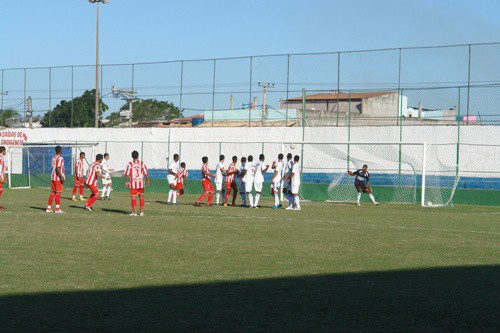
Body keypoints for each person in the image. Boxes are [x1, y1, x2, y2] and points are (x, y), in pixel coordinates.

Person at [124, 151, 150, 216]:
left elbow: (127, 174)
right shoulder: (142, 163)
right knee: (141, 197)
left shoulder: (130, 164)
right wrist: (147, 180)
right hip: (141, 183)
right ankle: (141, 212)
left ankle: (135, 213)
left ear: (132, 156)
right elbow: (145, 173)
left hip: (133, 183)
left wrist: (126, 182)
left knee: (133, 197)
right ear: (138, 156)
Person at [47, 146, 65, 214]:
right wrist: (61, 176)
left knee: (53, 192)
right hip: (57, 177)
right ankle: (57, 209)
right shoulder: (60, 158)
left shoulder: (53, 157)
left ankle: (48, 208)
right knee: (58, 192)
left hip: (52, 177)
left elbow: (53, 167)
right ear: (60, 150)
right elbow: (58, 168)